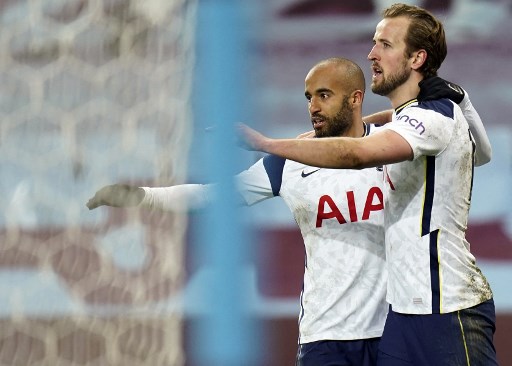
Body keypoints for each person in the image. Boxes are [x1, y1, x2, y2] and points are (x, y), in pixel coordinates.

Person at [236, 3, 498, 366]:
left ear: (417, 58)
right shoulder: (415, 117)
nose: (372, 53)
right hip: (403, 314)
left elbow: (358, 154)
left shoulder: (433, 117)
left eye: (386, 45)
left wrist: (267, 144)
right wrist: (463, 99)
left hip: (448, 307)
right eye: (374, 42)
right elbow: (480, 153)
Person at [88, 58, 390, 366]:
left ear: (355, 98)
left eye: (323, 95)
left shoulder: (396, 143)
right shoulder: (289, 162)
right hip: (326, 336)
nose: (313, 106)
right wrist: (143, 196)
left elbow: (439, 106)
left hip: (393, 329)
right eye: (308, 97)